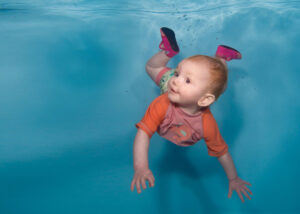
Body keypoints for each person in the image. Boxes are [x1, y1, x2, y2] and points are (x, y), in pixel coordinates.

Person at [130, 27, 253, 203]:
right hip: (176, 93)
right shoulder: (163, 101)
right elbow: (143, 134)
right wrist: (140, 167)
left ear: (204, 100)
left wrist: (233, 178)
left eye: (187, 80)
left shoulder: (206, 124)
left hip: (200, 94)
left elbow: (222, 153)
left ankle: (219, 57)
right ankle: (170, 51)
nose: (176, 80)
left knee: (220, 86)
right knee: (152, 67)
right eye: (178, 73)